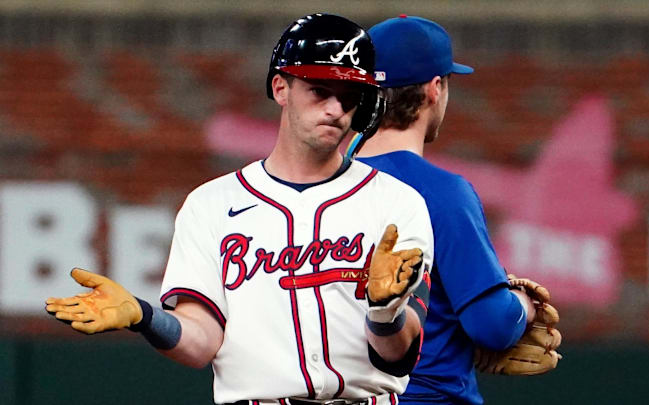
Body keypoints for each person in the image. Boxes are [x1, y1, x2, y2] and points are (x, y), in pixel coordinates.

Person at [45, 13, 434, 405]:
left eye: (349, 96)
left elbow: (399, 356)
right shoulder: (211, 204)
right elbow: (201, 341)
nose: (335, 108)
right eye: (320, 90)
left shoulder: (397, 202)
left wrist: (386, 313)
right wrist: (146, 317)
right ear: (281, 88)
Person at [352, 15, 538, 405]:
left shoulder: (321, 186)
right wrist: (523, 306)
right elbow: (491, 325)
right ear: (435, 89)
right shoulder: (441, 192)